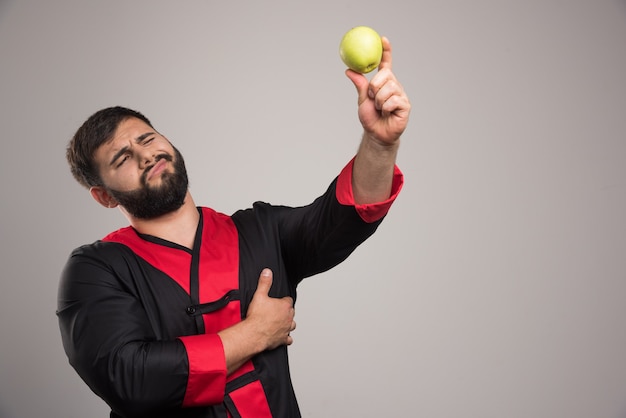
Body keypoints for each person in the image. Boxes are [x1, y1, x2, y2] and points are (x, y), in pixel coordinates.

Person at [57, 37, 410, 418]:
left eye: (148, 138)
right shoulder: (95, 270)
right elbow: (129, 378)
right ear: (104, 196)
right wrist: (253, 334)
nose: (147, 155)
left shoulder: (260, 230)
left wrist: (379, 143)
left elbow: (343, 218)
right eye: (123, 157)